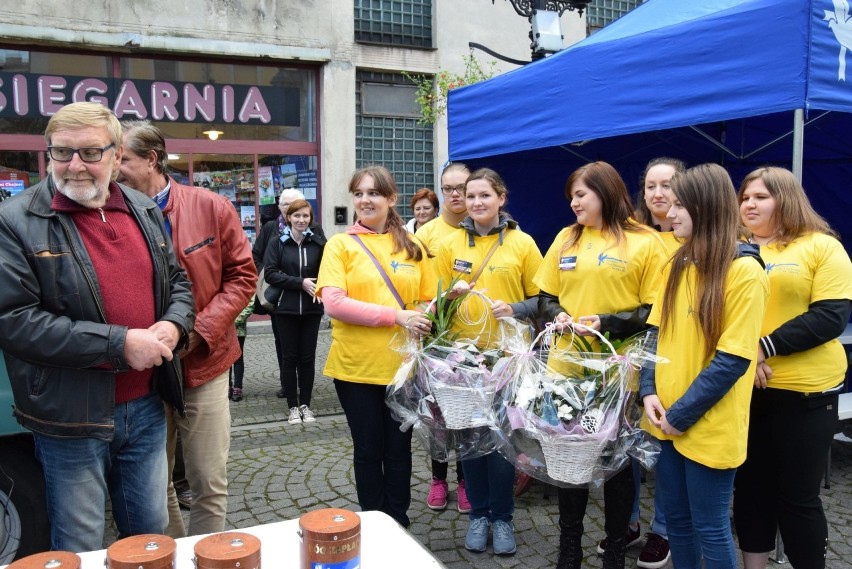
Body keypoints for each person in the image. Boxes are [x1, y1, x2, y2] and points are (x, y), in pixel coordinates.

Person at [0, 102, 195, 552]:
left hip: (146, 405)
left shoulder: (143, 208)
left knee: (149, 539)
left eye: (90, 153)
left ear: (115, 153)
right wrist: (120, 344)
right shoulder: (16, 221)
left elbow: (179, 282)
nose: (75, 166)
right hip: (69, 415)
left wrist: (173, 325)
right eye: (62, 153)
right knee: (80, 542)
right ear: (47, 153)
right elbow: (14, 321)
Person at [120, 120, 256, 537]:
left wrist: (198, 330)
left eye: (121, 158)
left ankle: (211, 558)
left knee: (208, 481)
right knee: (151, 484)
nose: (113, 167)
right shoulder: (109, 213)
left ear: (151, 160)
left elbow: (243, 277)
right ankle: (175, 553)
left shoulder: (210, 206)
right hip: (141, 372)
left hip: (204, 363)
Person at [534, 161, 667, 569]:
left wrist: (606, 322)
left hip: (618, 373)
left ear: (606, 193)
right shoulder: (566, 237)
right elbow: (544, 294)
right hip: (566, 369)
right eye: (571, 195)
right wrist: (556, 313)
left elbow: (654, 310)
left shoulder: (644, 242)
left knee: (618, 462)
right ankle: (569, 544)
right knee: (570, 458)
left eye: (581, 194)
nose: (573, 202)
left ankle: (613, 547)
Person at [640, 163, 769, 569]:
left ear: (707, 208)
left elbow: (732, 359)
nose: (670, 212)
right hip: (667, 418)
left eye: (680, 205)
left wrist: (680, 414)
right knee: (676, 520)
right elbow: (653, 334)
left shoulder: (745, 272)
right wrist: (648, 391)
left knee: (711, 526)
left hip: (708, 425)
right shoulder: (678, 263)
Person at [732, 167, 852, 569]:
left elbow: (831, 316)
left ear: (787, 199)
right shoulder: (730, 248)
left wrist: (764, 348)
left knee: (798, 498)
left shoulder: (821, 246)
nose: (749, 203)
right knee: (750, 491)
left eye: (761, 196)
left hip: (805, 395)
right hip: (743, 390)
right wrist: (744, 358)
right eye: (745, 196)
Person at [317, 165, 436, 528]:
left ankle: (397, 520)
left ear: (391, 199)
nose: (365, 200)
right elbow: (334, 303)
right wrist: (396, 316)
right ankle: (373, 520)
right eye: (358, 193)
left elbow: (428, 300)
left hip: (402, 367)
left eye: (373, 193)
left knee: (399, 450)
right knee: (368, 449)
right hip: (355, 368)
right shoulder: (341, 245)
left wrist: (427, 313)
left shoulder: (414, 247)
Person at [435, 168, 542, 556]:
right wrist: (450, 295)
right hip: (461, 364)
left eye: (485, 195)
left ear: (501, 198)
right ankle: (479, 514)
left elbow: (543, 300)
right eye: (471, 196)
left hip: (508, 362)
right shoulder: (450, 245)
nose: (477, 202)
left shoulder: (523, 244)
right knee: (469, 446)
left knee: (502, 447)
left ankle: (504, 518)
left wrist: (512, 308)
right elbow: (434, 303)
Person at [603, 157, 685, 569]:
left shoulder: (693, 239)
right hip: (629, 362)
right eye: (650, 185)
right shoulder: (632, 236)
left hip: (675, 360)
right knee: (628, 447)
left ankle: (664, 529)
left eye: (667, 185)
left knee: (666, 448)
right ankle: (629, 521)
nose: (657, 194)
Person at [412, 162, 471, 513]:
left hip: (473, 343)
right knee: (436, 418)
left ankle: (465, 481)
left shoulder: (481, 231)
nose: (455, 194)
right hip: (436, 342)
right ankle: (438, 479)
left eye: (461, 187)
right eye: (447, 188)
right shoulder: (426, 234)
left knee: (465, 419)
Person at [253, 187, 325, 398]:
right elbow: (256, 255)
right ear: (281, 208)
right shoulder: (270, 229)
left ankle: (303, 389)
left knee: (306, 351)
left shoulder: (316, 232)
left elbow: (325, 261)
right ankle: (288, 385)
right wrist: (265, 275)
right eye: (286, 205)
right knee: (283, 343)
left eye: (299, 209)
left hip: (309, 300)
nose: (290, 210)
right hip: (280, 298)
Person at [229, 295, 255, 402]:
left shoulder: (245, 280)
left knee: (238, 358)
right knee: (225, 359)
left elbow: (250, 304)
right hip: (223, 328)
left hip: (239, 329)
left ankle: (237, 387)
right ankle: (227, 386)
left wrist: (233, 321)